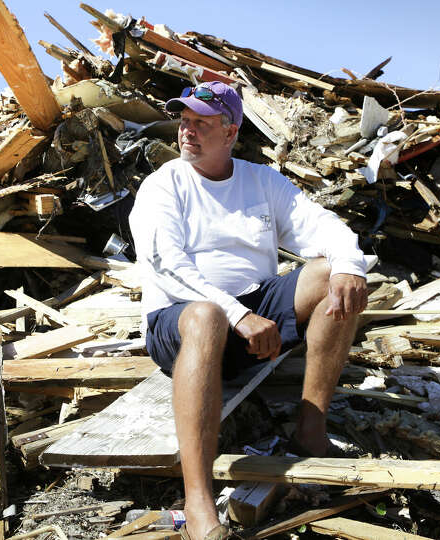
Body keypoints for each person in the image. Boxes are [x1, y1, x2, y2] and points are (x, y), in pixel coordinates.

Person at [128, 81, 368, 540]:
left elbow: (321, 225)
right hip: (181, 324)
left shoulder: (260, 180)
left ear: (231, 131)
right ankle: (198, 503)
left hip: (253, 318)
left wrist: (349, 266)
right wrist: (236, 314)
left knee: (330, 275)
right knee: (206, 315)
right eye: (184, 121)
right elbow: (165, 266)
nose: (188, 131)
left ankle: (310, 433)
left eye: (202, 122)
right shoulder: (164, 185)